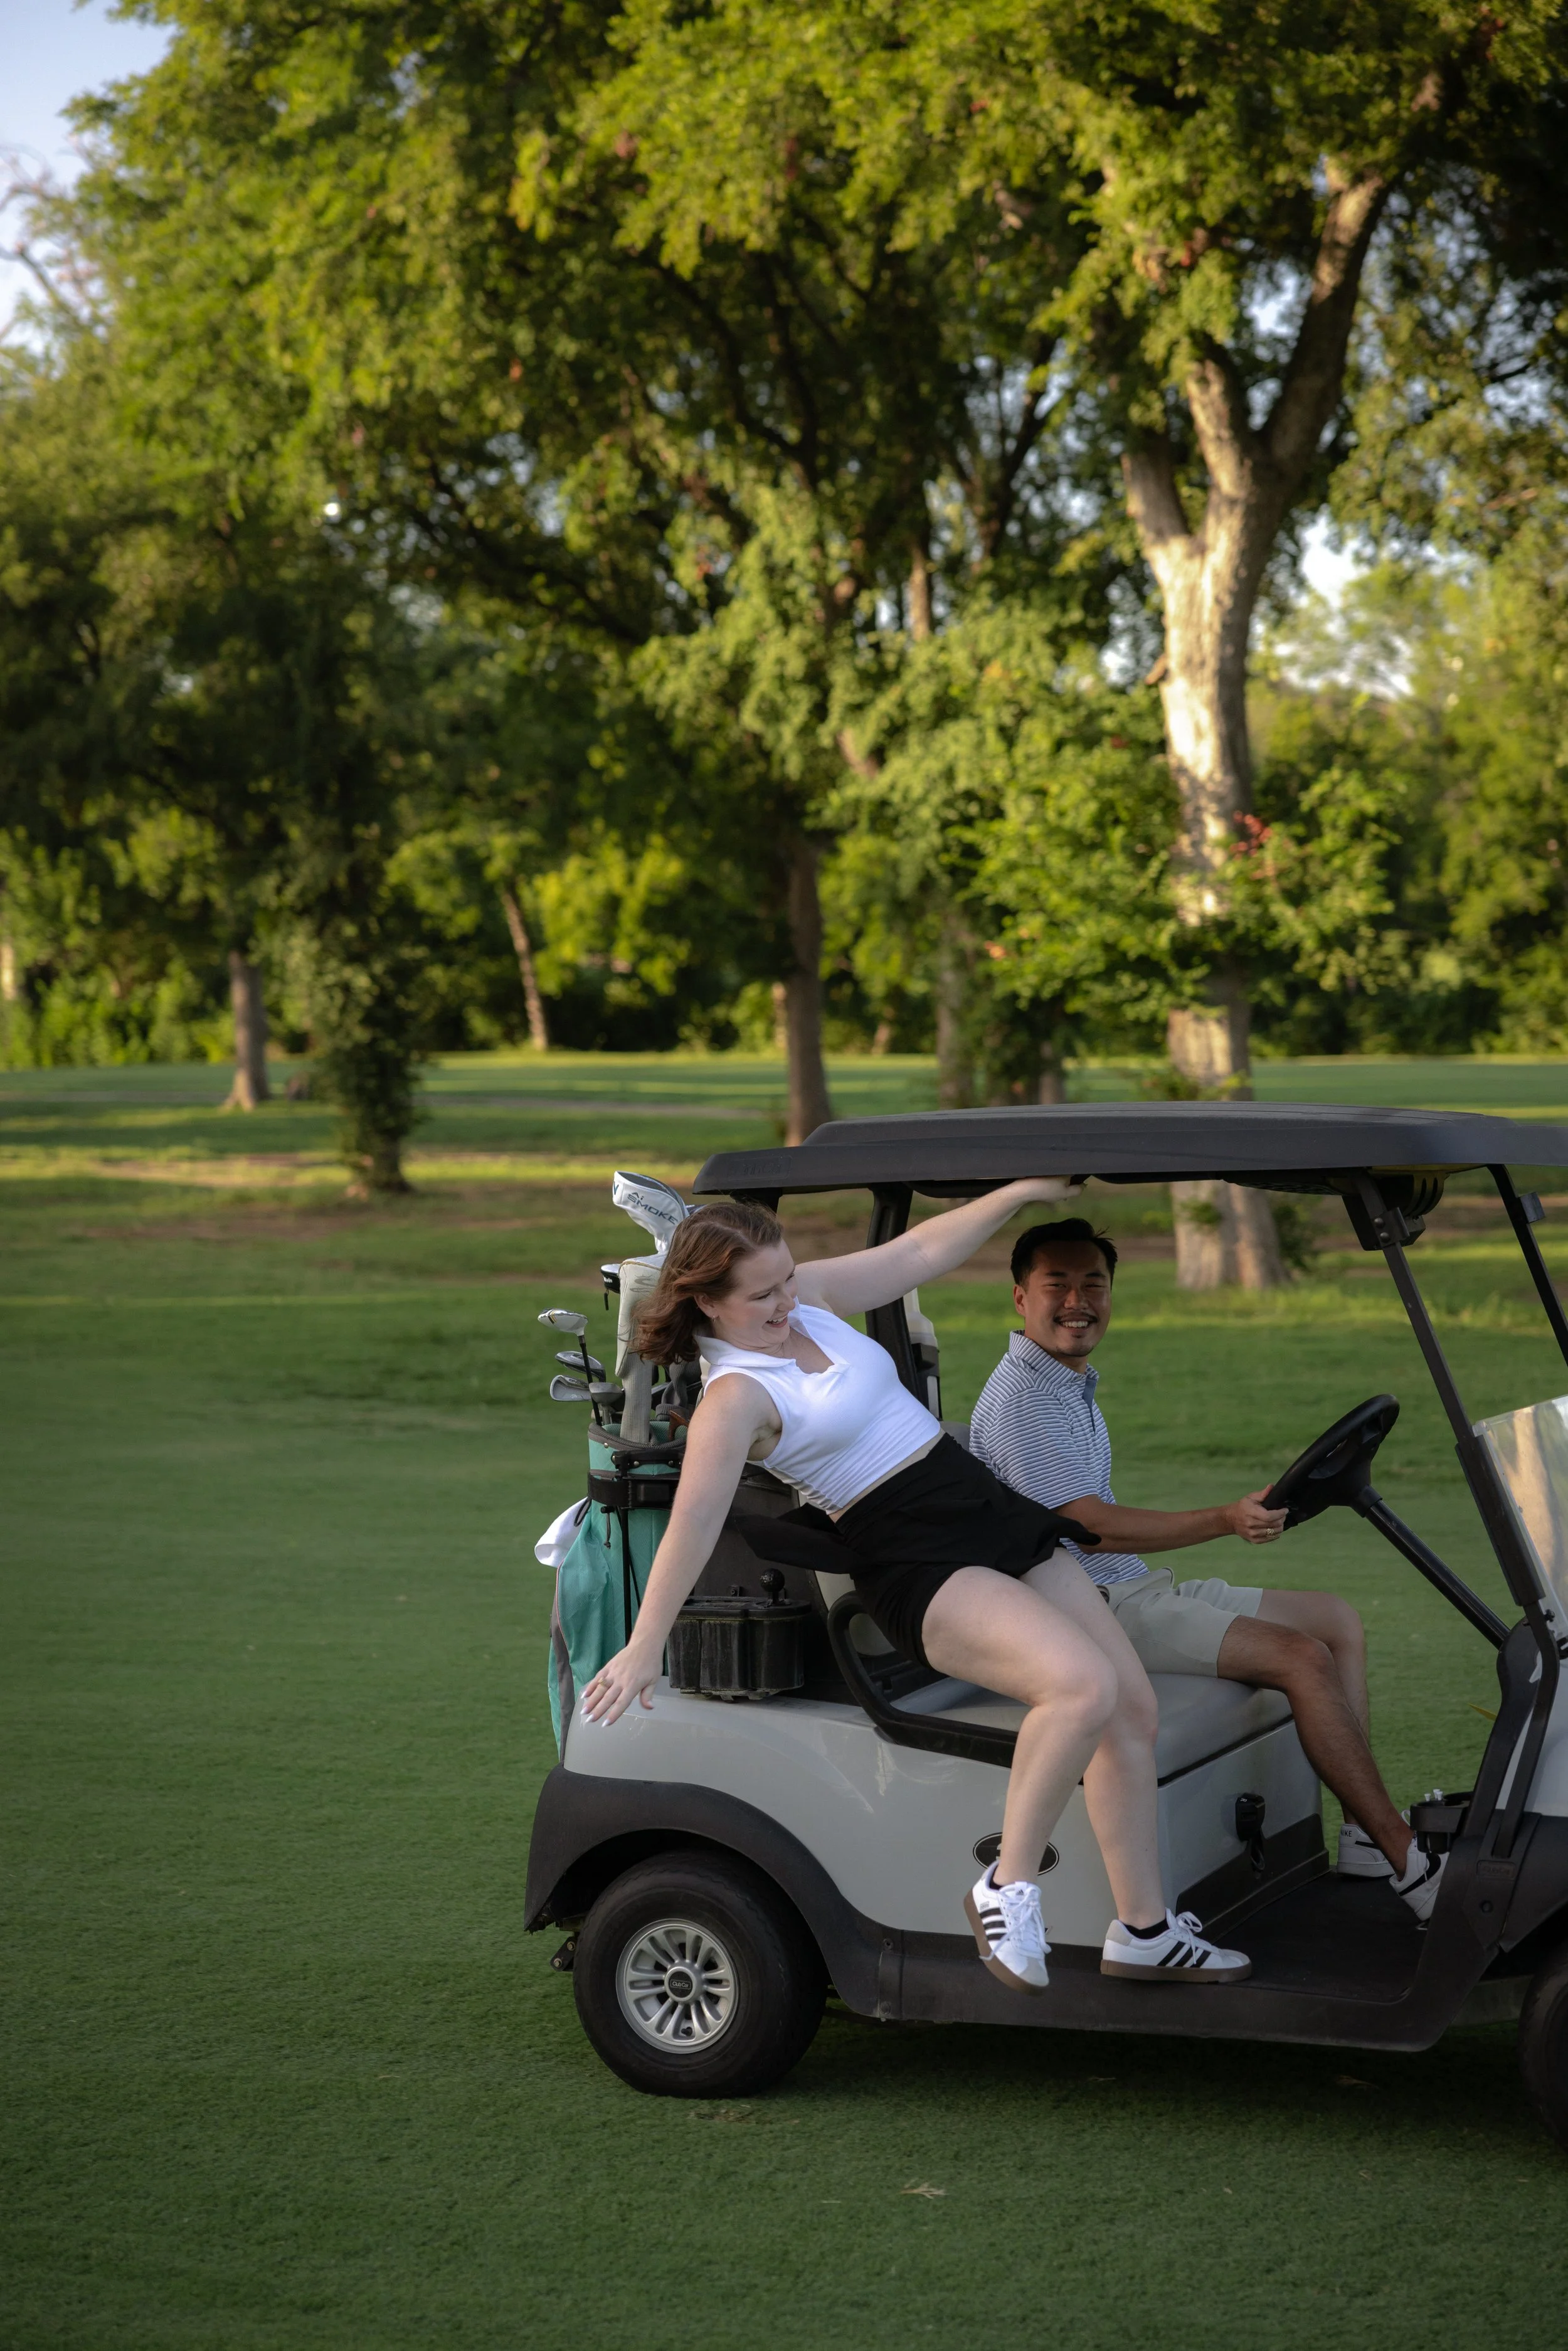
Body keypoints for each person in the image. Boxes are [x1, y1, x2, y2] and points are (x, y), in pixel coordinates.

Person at [580, 1187, 1252, 1995]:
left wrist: (1024, 1191)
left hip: (975, 1502)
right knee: (1079, 1687)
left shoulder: (813, 1303)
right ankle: (1006, 1888)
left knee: (1129, 1708)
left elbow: (919, 1254)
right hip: (909, 1552)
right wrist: (645, 1645)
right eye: (762, 1295)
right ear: (707, 1303)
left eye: (786, 1279)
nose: (785, 1302)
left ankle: (1142, 1930)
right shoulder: (736, 1397)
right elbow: (692, 1521)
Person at [969, 1218, 1446, 1922]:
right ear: (1019, 1297)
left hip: (1132, 1589)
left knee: (1334, 1621)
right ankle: (1411, 1863)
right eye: (1057, 1285)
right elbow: (1088, 1529)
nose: (1078, 1300)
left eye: (1092, 1284)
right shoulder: (1021, 1401)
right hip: (1094, 1611)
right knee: (1301, 1657)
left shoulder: (1063, 1382)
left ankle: (1364, 1842)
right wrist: (1223, 1517)